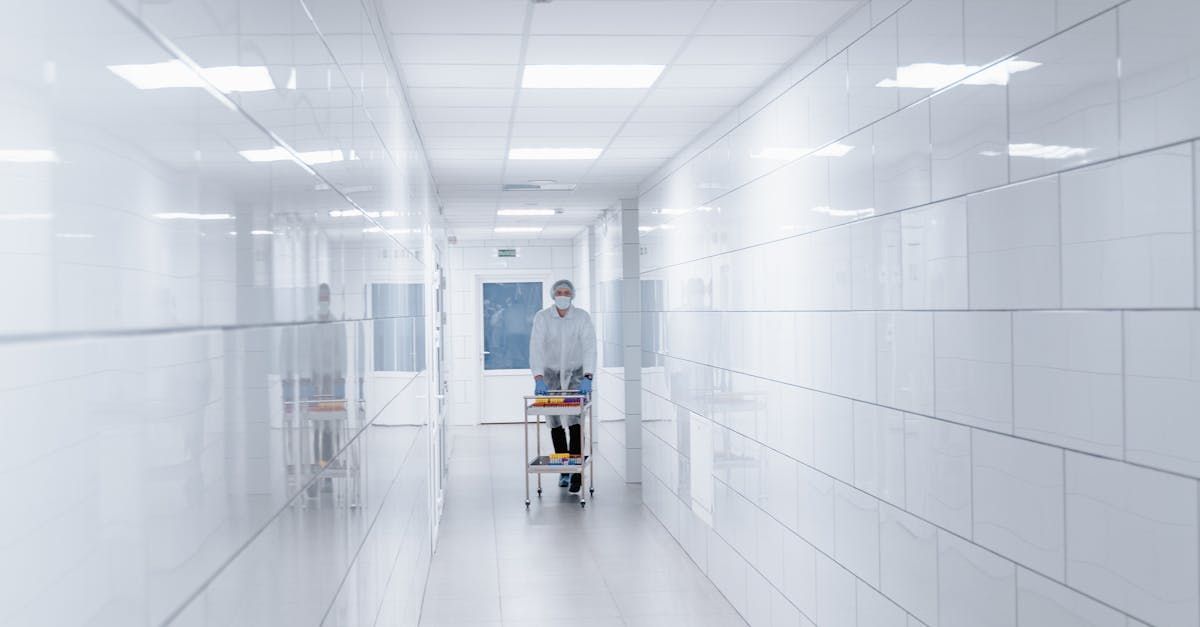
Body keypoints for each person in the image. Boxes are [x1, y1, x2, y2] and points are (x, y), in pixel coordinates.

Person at [529, 279, 596, 493]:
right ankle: (563, 470)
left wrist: (588, 375)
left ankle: (576, 471)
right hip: (549, 374)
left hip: (576, 373)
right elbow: (536, 347)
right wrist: (538, 377)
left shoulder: (582, 317)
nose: (563, 295)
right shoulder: (542, 317)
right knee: (555, 422)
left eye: (567, 292)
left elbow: (589, 346)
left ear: (573, 295)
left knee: (576, 421)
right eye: (559, 292)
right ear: (552, 295)